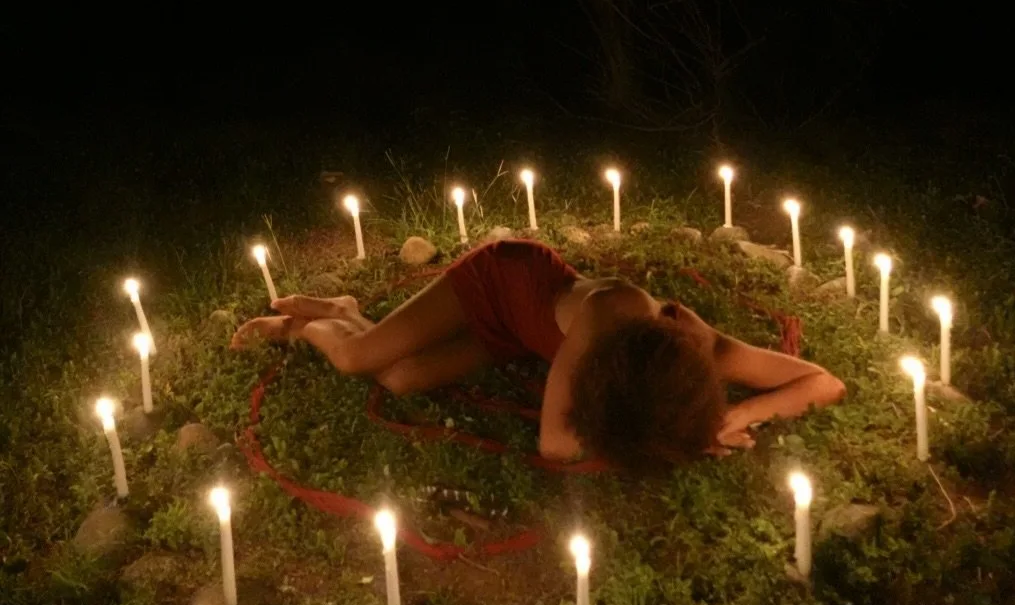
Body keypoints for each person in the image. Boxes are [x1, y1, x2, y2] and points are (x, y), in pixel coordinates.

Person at [231, 238, 845, 473]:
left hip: (516, 336)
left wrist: (738, 416)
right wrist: (666, 440)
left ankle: (344, 313)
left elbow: (824, 383)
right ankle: (302, 327)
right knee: (356, 360)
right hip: (503, 283)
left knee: (400, 378)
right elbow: (555, 442)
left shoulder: (706, 347)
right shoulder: (611, 312)